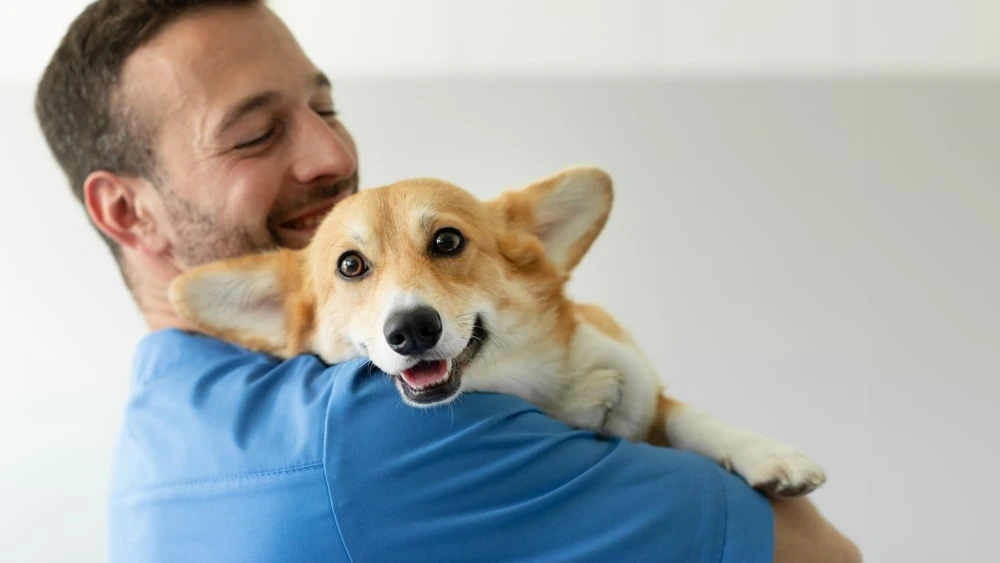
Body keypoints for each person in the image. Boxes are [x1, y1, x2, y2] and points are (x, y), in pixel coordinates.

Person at [35, 1, 861, 562]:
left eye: (325, 106)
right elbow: (821, 551)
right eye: (254, 135)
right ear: (127, 211)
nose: (332, 158)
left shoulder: (155, 440)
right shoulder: (376, 425)